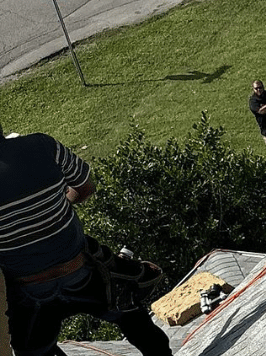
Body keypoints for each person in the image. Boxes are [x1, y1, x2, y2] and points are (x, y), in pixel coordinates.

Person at [1, 133, 172, 356]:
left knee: (31, 350)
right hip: (83, 271)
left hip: (29, 292)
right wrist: (61, 203)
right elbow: (85, 188)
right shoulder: (43, 145)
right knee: (132, 316)